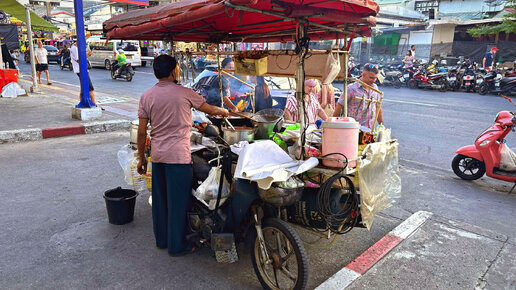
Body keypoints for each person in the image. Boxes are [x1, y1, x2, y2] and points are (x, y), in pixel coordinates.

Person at [136, 55, 229, 256]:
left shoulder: (147, 96)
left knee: (160, 201)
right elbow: (209, 109)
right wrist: (224, 111)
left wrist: (141, 158)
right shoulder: (185, 93)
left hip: (158, 157)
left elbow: (142, 132)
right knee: (178, 203)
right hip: (178, 158)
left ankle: (162, 240)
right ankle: (177, 246)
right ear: (173, 71)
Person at [333, 64, 384, 129]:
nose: (374, 80)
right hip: (353, 129)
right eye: (371, 78)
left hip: (369, 129)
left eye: (375, 78)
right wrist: (334, 125)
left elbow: (378, 107)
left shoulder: (375, 88)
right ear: (363, 75)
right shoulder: (351, 88)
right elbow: (339, 105)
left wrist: (381, 125)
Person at [71, 41, 98, 107]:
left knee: (84, 87)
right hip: (81, 70)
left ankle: (82, 101)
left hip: (81, 70)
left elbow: (80, 57)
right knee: (90, 87)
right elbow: (79, 60)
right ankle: (94, 103)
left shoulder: (76, 48)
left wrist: (87, 54)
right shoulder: (75, 48)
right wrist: (87, 55)